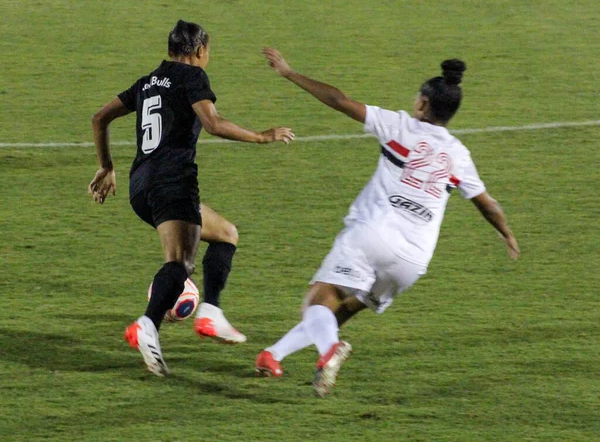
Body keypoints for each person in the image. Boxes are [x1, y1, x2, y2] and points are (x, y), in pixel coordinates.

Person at [255, 48, 519, 397]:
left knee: (319, 301)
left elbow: (338, 99)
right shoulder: (459, 155)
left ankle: (328, 351)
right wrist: (507, 235)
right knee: (342, 309)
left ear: (423, 104)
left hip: (373, 236)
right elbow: (488, 204)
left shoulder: (399, 126)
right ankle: (272, 356)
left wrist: (289, 72)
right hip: (413, 261)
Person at [88, 21, 294, 377]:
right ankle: (147, 325)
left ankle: (211, 313)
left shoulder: (148, 81)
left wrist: (107, 166)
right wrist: (262, 137)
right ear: (199, 50)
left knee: (226, 233)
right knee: (180, 263)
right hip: (173, 182)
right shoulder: (192, 77)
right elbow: (213, 124)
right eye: (208, 51)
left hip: (141, 186)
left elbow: (100, 117)